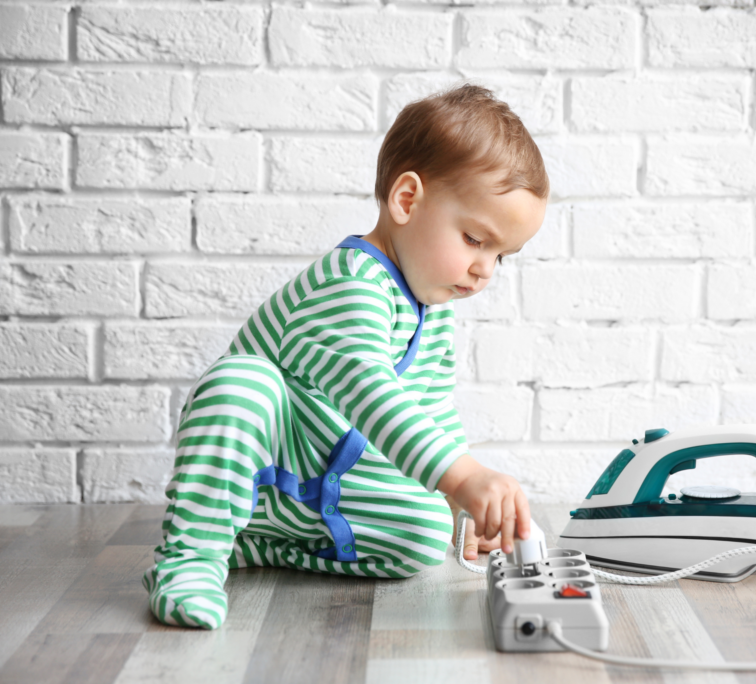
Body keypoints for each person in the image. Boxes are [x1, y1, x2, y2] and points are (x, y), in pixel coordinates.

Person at [142, 84, 549, 629]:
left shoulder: (433, 307)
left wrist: (455, 502)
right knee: (241, 385)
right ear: (407, 200)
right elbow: (370, 393)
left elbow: (432, 410)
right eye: (476, 239)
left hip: (327, 488)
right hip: (272, 470)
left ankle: (261, 546)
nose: (486, 270)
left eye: (502, 256)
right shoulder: (349, 283)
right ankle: (190, 558)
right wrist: (462, 476)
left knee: (424, 536)